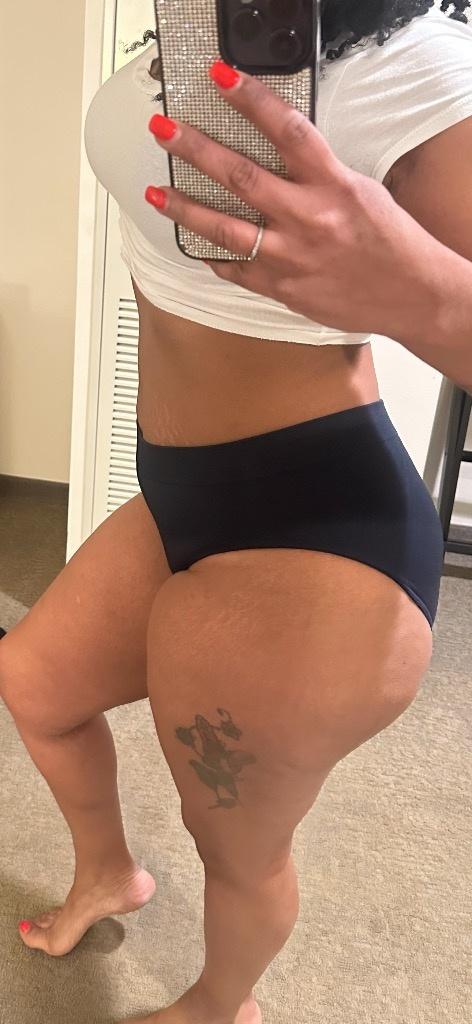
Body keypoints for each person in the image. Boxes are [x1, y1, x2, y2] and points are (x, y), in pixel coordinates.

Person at [1, 2, 471, 1022]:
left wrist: (426, 295)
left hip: (313, 534)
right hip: (185, 487)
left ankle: (222, 1005)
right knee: (34, 684)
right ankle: (108, 874)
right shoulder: (209, 21)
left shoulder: (425, 76)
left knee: (233, 846)